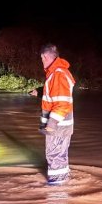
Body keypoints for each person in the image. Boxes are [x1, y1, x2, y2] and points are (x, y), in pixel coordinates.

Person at [35, 44, 76, 185]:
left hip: (58, 127)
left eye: (42, 59)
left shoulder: (58, 73)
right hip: (62, 126)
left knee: (54, 156)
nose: (42, 62)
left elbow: (62, 103)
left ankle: (56, 192)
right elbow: (56, 93)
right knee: (60, 156)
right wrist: (39, 92)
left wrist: (51, 125)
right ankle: (64, 183)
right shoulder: (58, 72)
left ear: (45, 57)